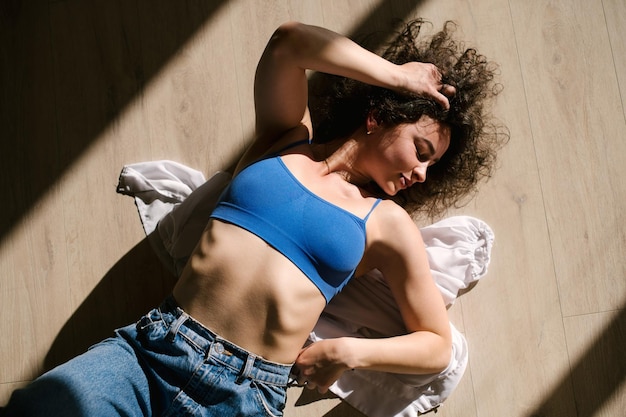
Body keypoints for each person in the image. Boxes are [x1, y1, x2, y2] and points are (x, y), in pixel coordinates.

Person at [2, 20, 505, 416]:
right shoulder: (286, 141)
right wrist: (399, 76)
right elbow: (289, 43)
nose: (421, 173)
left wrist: (349, 353)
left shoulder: (386, 223)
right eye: (420, 150)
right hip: (151, 352)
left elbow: (437, 346)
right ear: (377, 117)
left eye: (431, 166)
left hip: (245, 395)